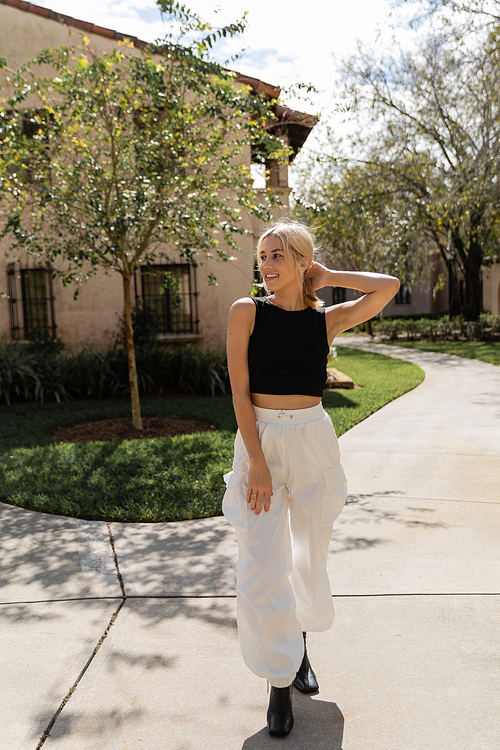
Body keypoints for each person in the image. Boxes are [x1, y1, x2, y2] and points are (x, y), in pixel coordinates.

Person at [222, 220, 400, 736]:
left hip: (313, 441)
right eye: (262, 255)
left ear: (303, 261)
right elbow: (239, 393)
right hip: (262, 442)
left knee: (307, 555)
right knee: (261, 560)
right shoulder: (246, 312)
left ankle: (298, 650)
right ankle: (279, 683)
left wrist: (328, 276)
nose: (266, 264)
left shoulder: (325, 321)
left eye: (279, 255)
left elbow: (386, 287)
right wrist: (256, 461)